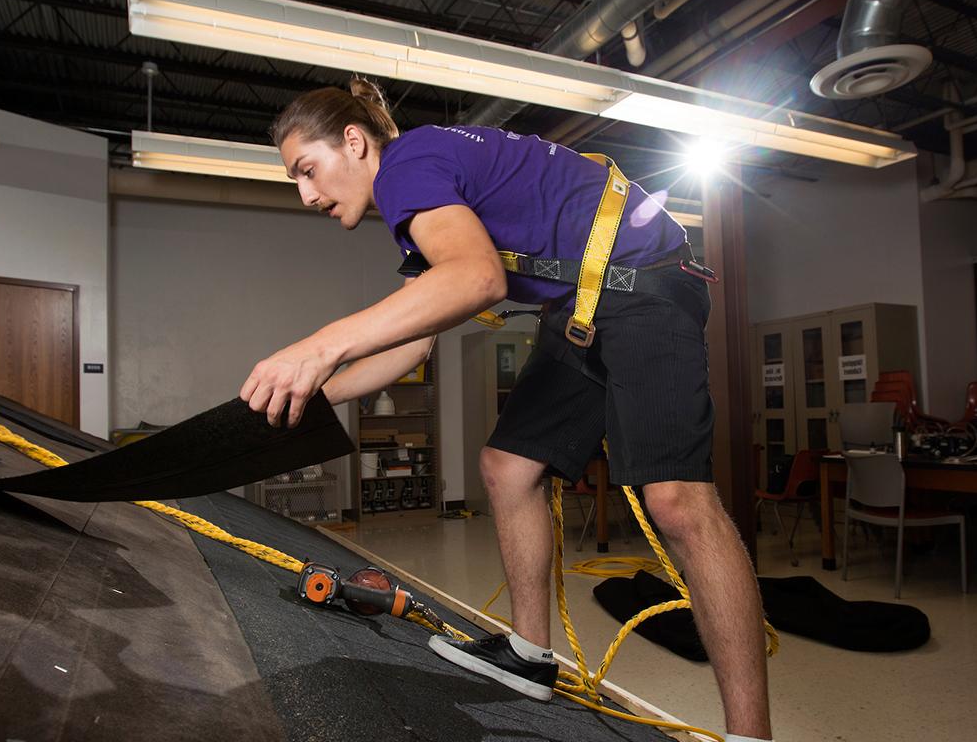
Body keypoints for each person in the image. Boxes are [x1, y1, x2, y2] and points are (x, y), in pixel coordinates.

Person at [240, 77, 772, 741]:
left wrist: (315, 348)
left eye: (307, 170)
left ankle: (751, 735)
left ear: (354, 141)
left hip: (646, 287)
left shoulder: (409, 165)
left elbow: (475, 280)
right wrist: (312, 393)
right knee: (507, 466)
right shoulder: (422, 192)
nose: (306, 195)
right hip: (582, 305)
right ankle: (528, 655)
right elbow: (410, 346)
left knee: (676, 503)